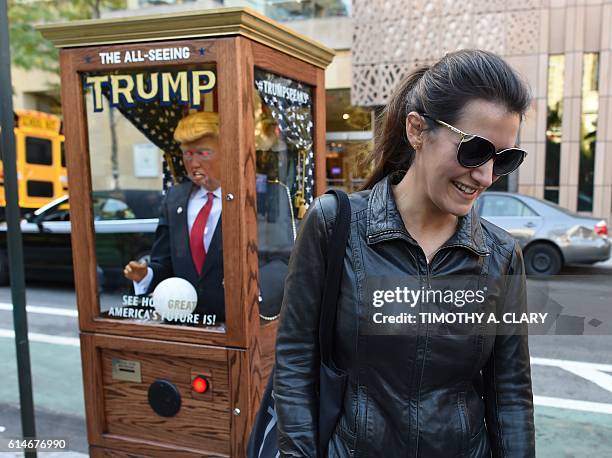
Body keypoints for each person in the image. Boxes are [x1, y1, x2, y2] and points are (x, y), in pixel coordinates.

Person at [273, 49, 536, 457]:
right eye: (474, 150)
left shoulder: (501, 255)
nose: (486, 176)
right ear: (417, 130)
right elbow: (294, 363)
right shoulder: (334, 224)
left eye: (504, 159)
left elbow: (511, 394)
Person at [123, 111, 225, 322]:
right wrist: (146, 275)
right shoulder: (175, 198)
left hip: (236, 324)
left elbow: (275, 262)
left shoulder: (252, 197)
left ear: (227, 151)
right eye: (187, 154)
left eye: (203, 153)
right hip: (182, 321)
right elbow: (165, 262)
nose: (193, 163)